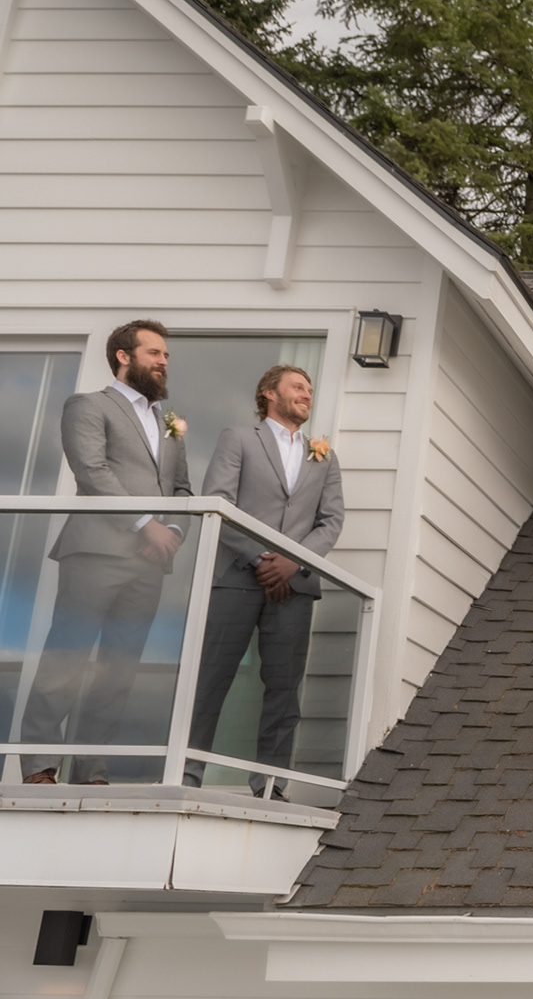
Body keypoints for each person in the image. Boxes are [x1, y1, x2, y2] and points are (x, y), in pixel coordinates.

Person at [21, 320, 193, 785]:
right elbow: (92, 471)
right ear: (123, 356)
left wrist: (173, 531)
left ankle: (91, 769)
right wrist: (146, 525)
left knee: (119, 672)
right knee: (67, 658)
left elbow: (182, 489)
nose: (163, 361)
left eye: (165, 355)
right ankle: (38, 766)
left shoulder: (169, 423)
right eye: (154, 352)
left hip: (150, 565)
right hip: (96, 552)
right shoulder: (88, 405)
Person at [184, 365, 344, 800]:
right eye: (297, 387)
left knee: (283, 690)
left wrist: (292, 562)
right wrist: (260, 559)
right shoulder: (238, 438)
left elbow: (331, 521)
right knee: (209, 680)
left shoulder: (324, 457)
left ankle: (270, 786)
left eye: (310, 389)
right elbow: (219, 502)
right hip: (237, 577)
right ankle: (186, 776)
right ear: (269, 393)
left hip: (295, 588)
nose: (306, 394)